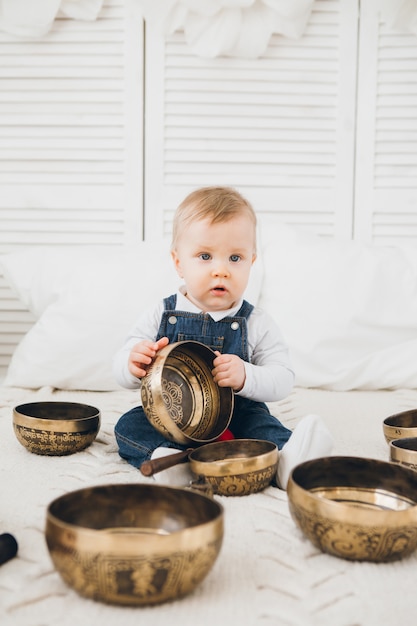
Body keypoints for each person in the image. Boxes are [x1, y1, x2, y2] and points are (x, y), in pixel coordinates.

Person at [113, 186, 333, 489]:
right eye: (205, 256)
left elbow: (283, 378)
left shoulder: (256, 322)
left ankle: (288, 462)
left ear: (252, 262)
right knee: (129, 425)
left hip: (237, 414)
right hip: (172, 416)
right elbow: (122, 365)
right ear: (179, 262)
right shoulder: (160, 314)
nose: (221, 270)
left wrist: (246, 376)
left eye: (235, 258)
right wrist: (131, 363)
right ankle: (171, 461)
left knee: (262, 425)